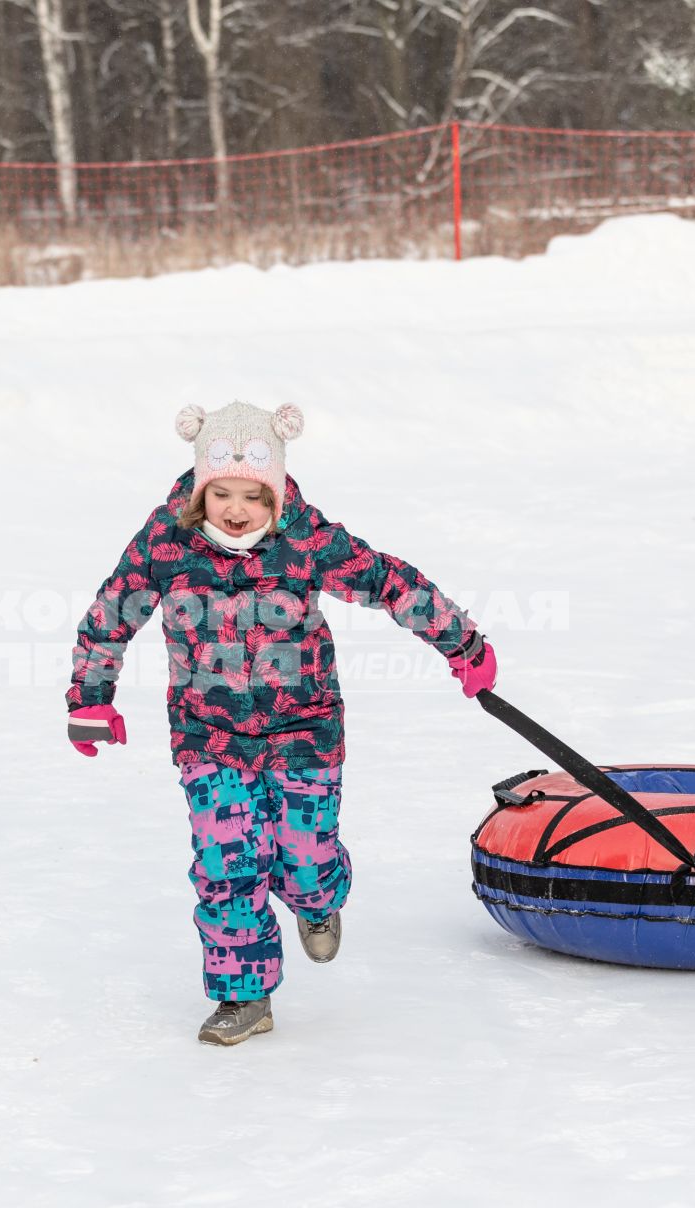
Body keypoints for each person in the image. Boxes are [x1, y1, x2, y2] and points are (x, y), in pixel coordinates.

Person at [66, 401, 497, 1045]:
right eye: (220, 493)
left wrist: (461, 644)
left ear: (276, 494)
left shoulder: (306, 541)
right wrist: (91, 697)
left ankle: (319, 898)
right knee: (227, 865)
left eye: (252, 496)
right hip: (208, 738)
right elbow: (112, 611)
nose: (236, 509)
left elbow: (388, 581)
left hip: (304, 733)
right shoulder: (166, 541)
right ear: (199, 487)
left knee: (304, 856)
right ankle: (244, 997)